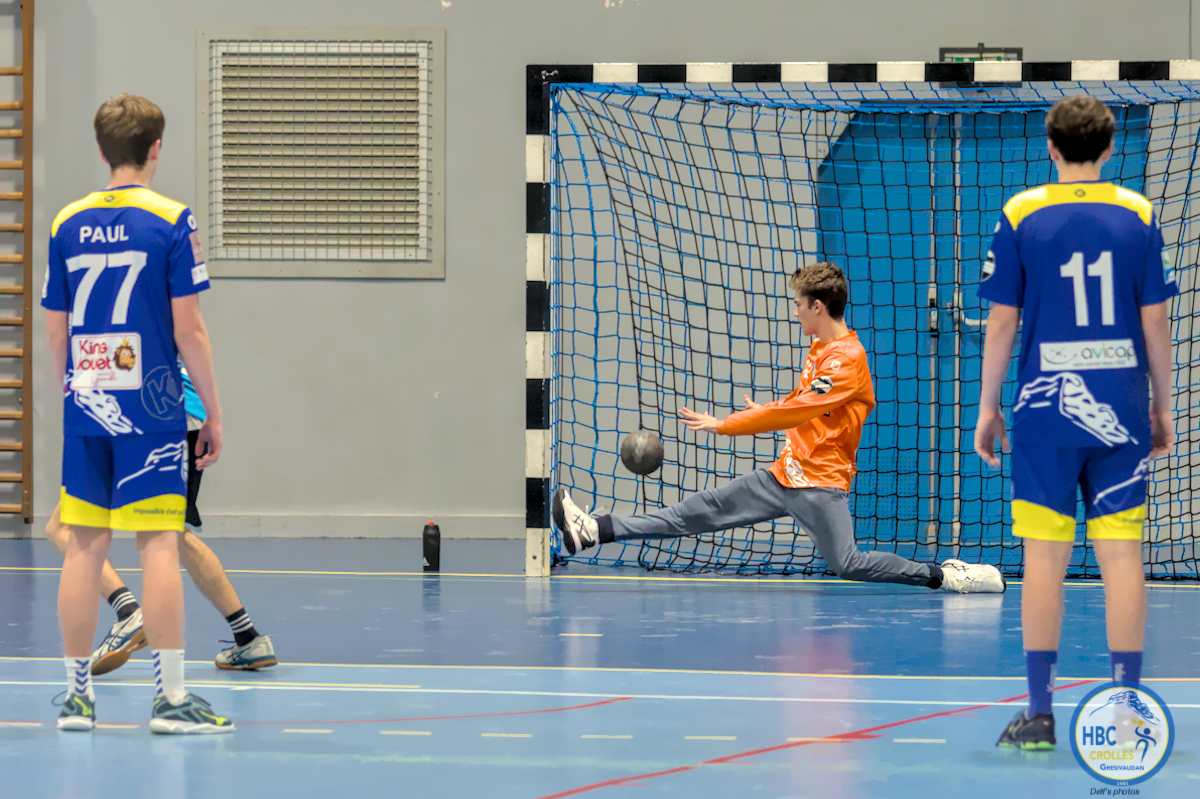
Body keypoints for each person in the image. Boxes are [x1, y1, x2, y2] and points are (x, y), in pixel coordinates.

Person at [555, 262, 1006, 596]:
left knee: (848, 563)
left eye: (798, 305)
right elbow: (800, 404)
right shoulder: (820, 348)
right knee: (693, 513)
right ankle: (594, 530)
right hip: (785, 474)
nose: (795, 313)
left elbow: (796, 412)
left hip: (819, 485)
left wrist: (726, 424)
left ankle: (945, 576)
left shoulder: (847, 360)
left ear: (817, 306)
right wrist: (768, 408)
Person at [975, 96, 1176, 750]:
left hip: (1044, 411)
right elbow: (1155, 320)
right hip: (1120, 409)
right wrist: (1163, 405)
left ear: (1050, 146)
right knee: (1121, 555)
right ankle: (1126, 713)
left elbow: (1001, 322)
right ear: (1110, 147)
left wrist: (988, 406)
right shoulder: (1139, 212)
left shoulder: (1020, 212)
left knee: (1043, 558)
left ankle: (1038, 715)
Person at [43, 94, 233, 733]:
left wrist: (73, 391)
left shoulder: (65, 223)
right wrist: (212, 410)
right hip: (150, 406)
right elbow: (190, 330)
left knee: (83, 547)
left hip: (87, 402)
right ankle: (171, 700)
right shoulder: (173, 220)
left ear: (101, 150)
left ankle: (77, 700)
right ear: (156, 149)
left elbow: (55, 329)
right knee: (157, 546)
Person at [44, 362, 277, 675]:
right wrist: (213, 415)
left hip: (135, 413)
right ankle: (247, 637)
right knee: (173, 532)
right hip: (180, 412)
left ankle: (127, 611)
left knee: (63, 527)